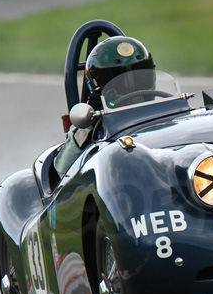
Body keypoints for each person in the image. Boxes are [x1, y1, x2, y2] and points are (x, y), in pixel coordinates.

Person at [51, 36, 156, 185]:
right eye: (119, 81)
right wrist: (90, 124)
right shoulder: (90, 124)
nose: (131, 86)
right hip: (112, 184)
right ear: (98, 85)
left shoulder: (165, 108)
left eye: (139, 77)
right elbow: (62, 170)